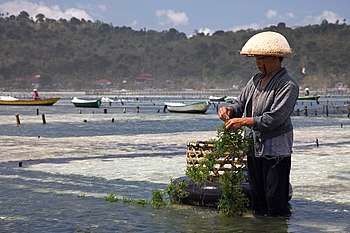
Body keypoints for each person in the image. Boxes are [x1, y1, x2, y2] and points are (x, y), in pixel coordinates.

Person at [218, 31, 299, 217]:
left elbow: (275, 118)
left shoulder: (288, 84)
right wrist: (229, 111)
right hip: (254, 147)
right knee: (258, 198)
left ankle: (279, 228)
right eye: (255, 59)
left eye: (261, 59)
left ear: (274, 58)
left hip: (276, 150)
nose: (257, 63)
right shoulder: (255, 81)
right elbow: (240, 104)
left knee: (274, 199)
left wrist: (244, 121)